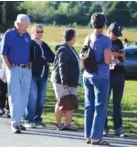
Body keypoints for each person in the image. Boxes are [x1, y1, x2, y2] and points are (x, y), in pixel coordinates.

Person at [81, 13, 112, 145]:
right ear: (104, 24)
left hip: (87, 75)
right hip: (101, 76)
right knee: (100, 107)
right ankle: (96, 138)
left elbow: (82, 57)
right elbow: (107, 59)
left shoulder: (87, 38)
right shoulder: (106, 40)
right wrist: (113, 59)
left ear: (92, 23)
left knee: (89, 106)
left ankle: (88, 136)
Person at [1, 14, 32, 133]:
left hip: (26, 69)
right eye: (24, 26)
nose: (25, 29)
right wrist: (10, 67)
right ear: (17, 24)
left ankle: (19, 121)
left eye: (27, 26)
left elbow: (31, 51)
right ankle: (14, 124)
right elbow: (3, 54)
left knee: (24, 97)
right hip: (14, 68)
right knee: (15, 96)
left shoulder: (27, 36)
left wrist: (30, 67)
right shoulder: (9, 35)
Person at [24, 24, 55, 128]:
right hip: (32, 75)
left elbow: (52, 58)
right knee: (33, 97)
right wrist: (43, 58)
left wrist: (43, 57)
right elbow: (31, 60)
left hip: (43, 75)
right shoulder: (31, 44)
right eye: (37, 31)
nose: (40, 34)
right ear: (32, 32)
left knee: (41, 99)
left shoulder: (44, 45)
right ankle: (29, 119)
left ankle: (38, 119)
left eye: (41, 32)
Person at [51, 29, 79, 131]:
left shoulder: (71, 48)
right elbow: (62, 66)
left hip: (72, 81)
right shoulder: (64, 49)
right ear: (71, 37)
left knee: (70, 102)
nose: (76, 38)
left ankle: (68, 124)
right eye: (75, 36)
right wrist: (64, 82)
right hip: (62, 81)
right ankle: (58, 123)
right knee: (61, 101)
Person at [104, 22, 127, 137]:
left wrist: (122, 55)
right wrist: (114, 54)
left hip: (119, 74)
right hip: (107, 75)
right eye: (114, 34)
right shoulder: (105, 41)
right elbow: (107, 55)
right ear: (109, 31)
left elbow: (122, 58)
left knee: (117, 103)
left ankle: (118, 128)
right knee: (104, 102)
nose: (116, 36)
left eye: (118, 34)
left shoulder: (118, 42)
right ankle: (104, 128)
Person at [0, 37, 10, 118]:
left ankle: (9, 109)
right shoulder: (0, 45)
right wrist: (5, 63)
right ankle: (1, 108)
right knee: (2, 90)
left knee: (10, 91)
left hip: (11, 70)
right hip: (1, 71)